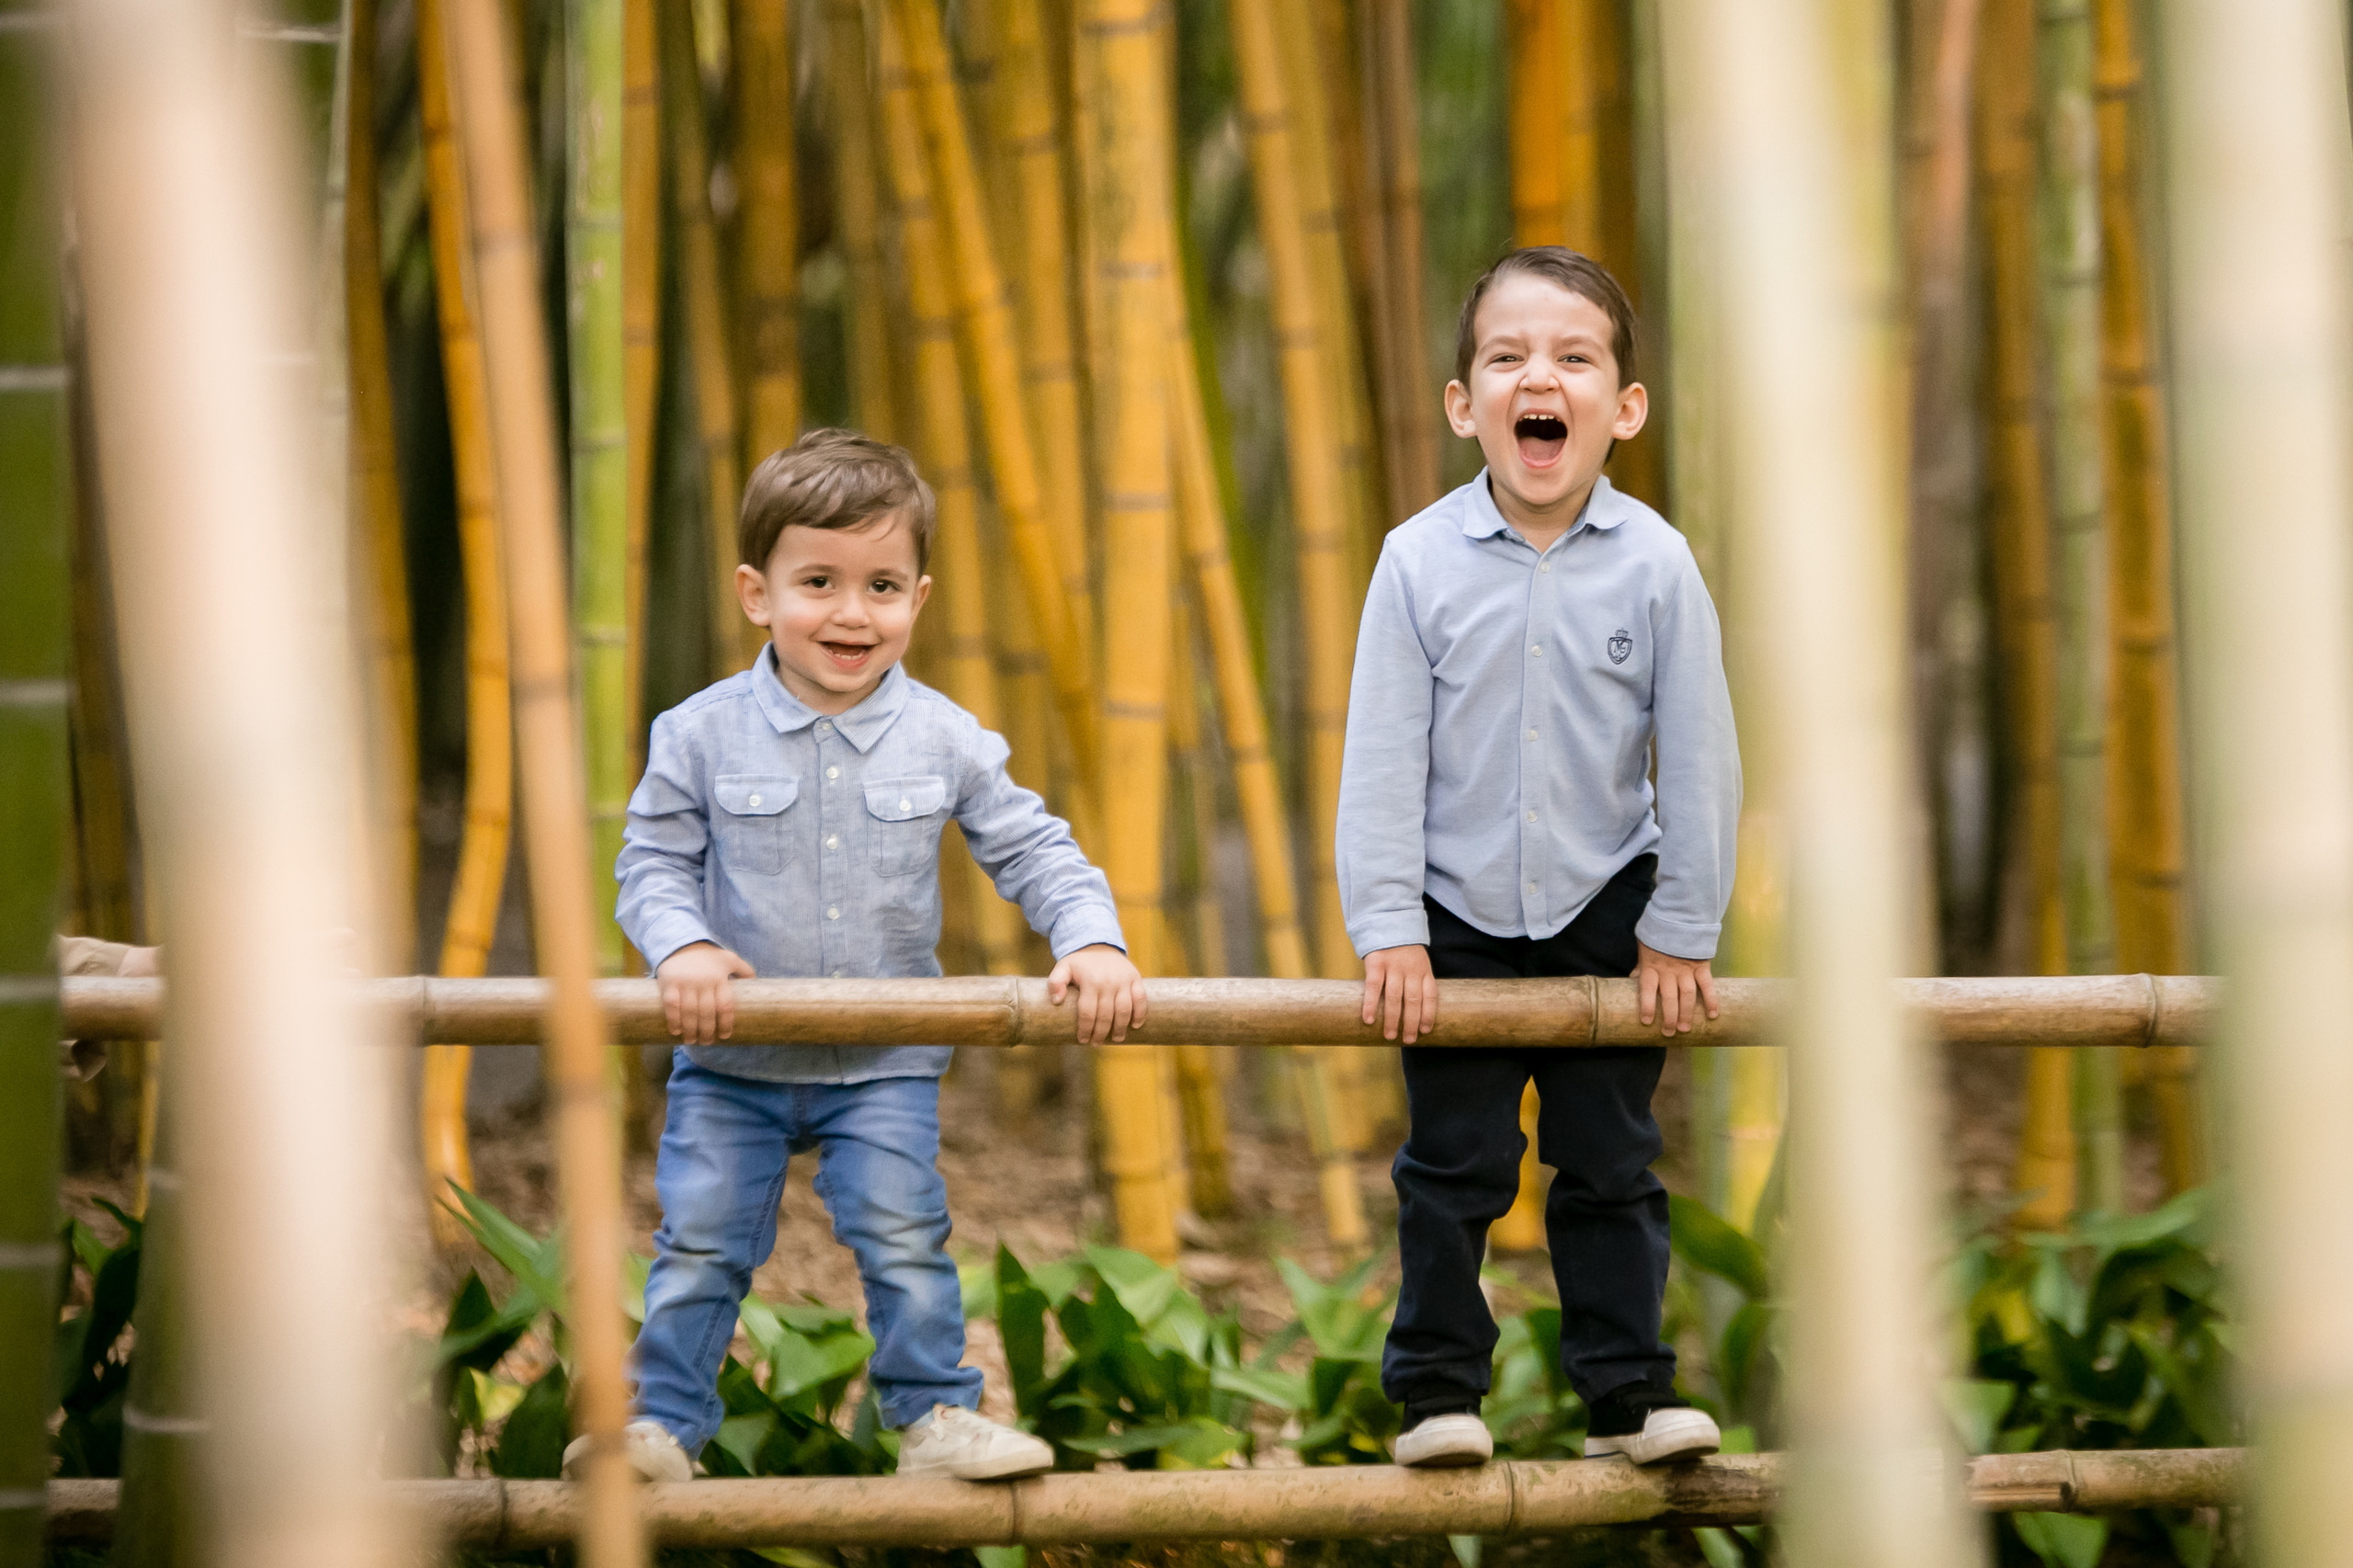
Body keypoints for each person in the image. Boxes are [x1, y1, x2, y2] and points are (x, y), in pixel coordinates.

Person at [576, 429, 1146, 1485]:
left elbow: (1034, 845)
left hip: (882, 1060)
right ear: (757, 592)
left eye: (881, 584)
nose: (851, 611)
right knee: (700, 1242)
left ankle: (933, 1416)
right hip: (731, 1059)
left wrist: (1092, 937)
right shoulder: (696, 734)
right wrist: (685, 943)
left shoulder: (946, 737)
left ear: (919, 599)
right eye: (818, 582)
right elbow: (649, 861)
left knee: (903, 1235)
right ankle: (658, 1426)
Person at [1337, 247, 1740, 1470]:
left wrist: (1683, 923)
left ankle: (1628, 1399)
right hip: (1451, 911)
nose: (1537, 377)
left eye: (1573, 355)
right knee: (1452, 1167)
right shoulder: (1416, 560)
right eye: (1506, 356)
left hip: (1607, 902)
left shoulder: (1658, 563)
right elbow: (1380, 760)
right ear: (1466, 405)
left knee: (1611, 1164)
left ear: (1623, 408)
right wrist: (1387, 925)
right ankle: (1439, 1397)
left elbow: (1704, 753)